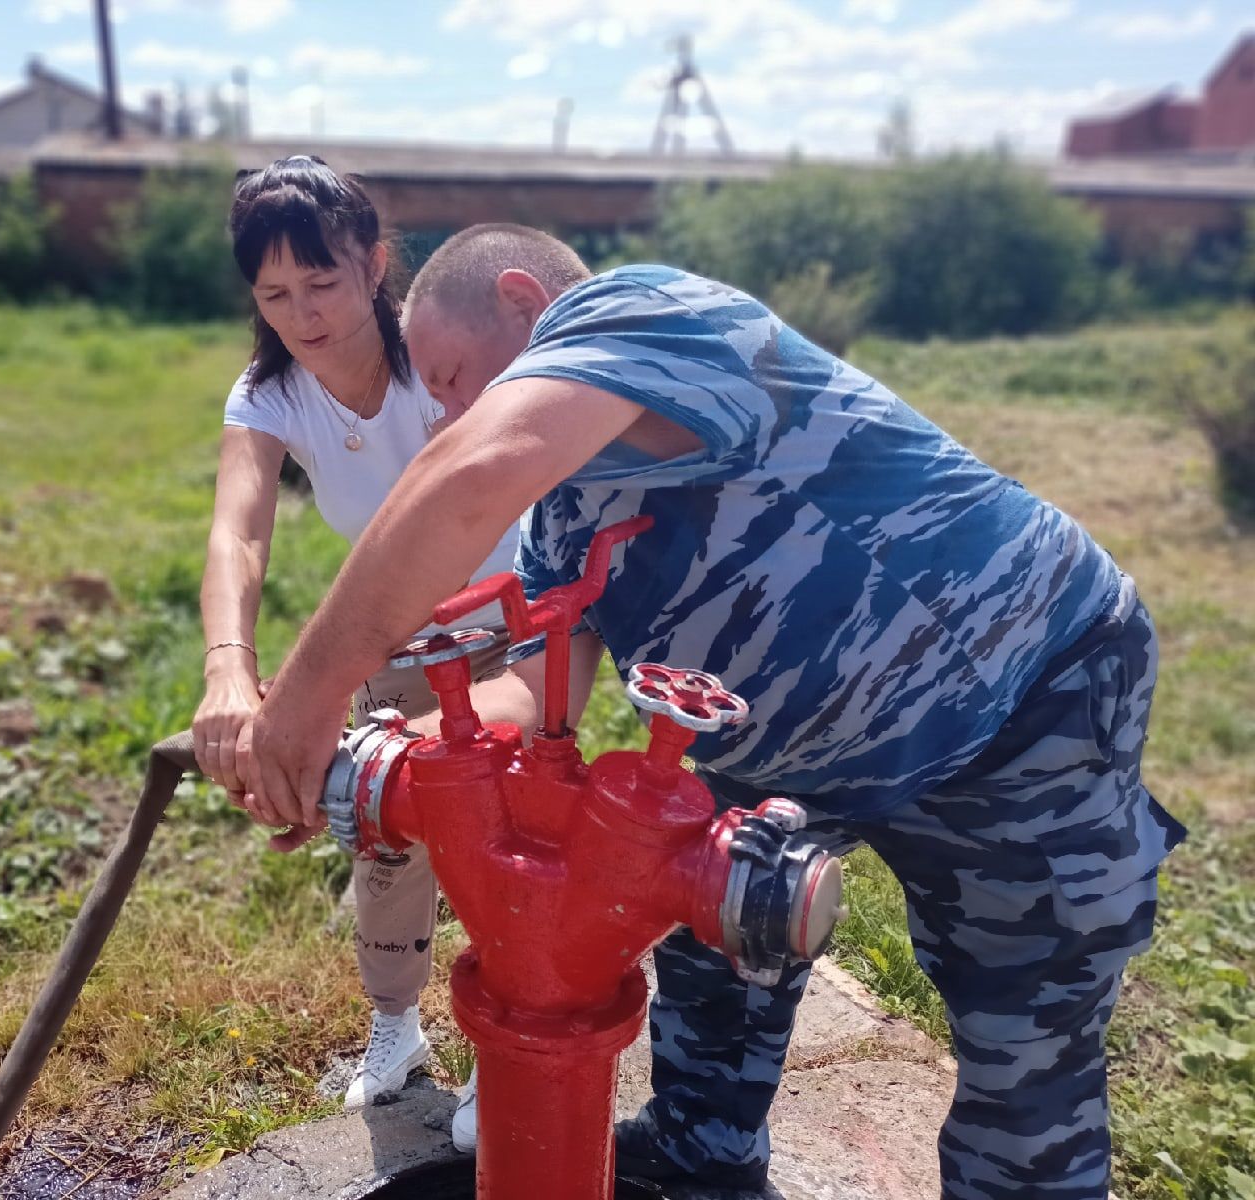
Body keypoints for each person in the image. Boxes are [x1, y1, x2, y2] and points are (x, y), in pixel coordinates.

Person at [239, 223, 1187, 1197]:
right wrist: (370, 755)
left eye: (451, 376)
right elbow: (528, 692)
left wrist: (297, 713)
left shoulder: (649, 312)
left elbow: (467, 477)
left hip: (1018, 707)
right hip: (779, 746)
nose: (444, 417)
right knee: (706, 938)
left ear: (527, 306)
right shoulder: (568, 514)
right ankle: (703, 1156)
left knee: (1022, 1036)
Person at [192, 161, 514, 1140]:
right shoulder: (272, 393)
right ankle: (395, 1027)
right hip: (385, 634)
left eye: (322, 282)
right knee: (382, 834)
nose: (302, 312)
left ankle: (506, 1053)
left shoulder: (439, 357)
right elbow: (236, 534)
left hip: (507, 634)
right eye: (273, 293)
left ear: (374, 264)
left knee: (495, 845)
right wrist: (228, 668)